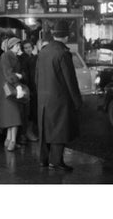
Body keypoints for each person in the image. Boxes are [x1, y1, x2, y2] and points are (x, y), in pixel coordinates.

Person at [36, 20, 82, 172]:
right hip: (59, 98)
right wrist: (77, 101)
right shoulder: (63, 53)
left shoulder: (43, 51)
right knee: (59, 130)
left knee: (45, 129)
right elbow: (70, 80)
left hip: (43, 98)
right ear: (66, 37)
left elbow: (37, 76)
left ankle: (43, 160)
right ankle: (56, 161)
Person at [0, 37, 28, 151]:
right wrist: (18, 84)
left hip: (7, 90)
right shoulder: (8, 55)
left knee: (11, 116)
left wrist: (19, 76)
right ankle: (12, 141)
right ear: (11, 46)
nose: (19, 47)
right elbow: (9, 73)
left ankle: (9, 140)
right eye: (17, 45)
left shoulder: (10, 56)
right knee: (15, 116)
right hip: (10, 89)